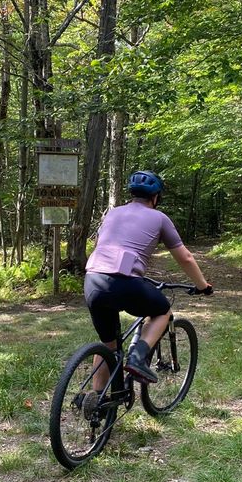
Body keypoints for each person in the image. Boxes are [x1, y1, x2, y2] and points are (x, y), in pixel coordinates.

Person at [83, 170, 212, 404]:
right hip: (124, 281)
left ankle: (96, 400)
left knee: (108, 344)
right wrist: (202, 286)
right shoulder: (160, 218)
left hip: (92, 279)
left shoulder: (113, 213)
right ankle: (138, 357)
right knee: (162, 311)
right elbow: (185, 258)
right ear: (156, 197)